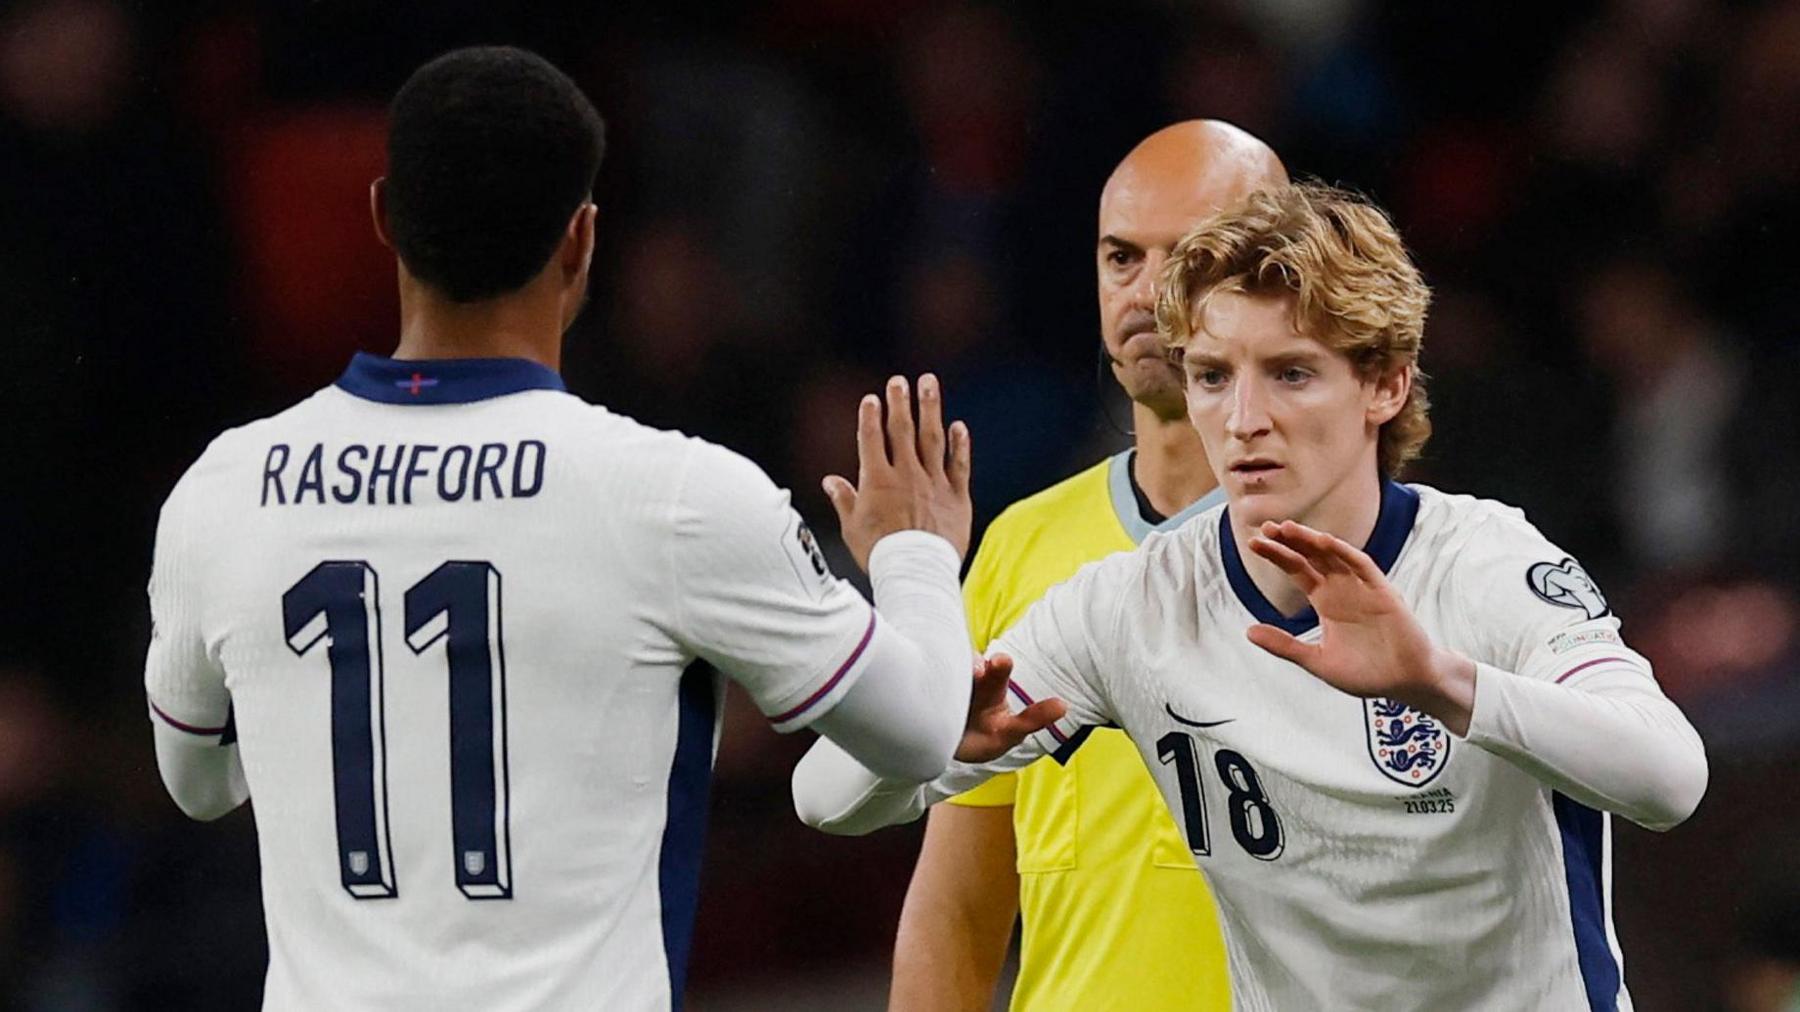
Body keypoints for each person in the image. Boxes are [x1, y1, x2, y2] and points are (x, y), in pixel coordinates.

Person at [143, 46, 1051, 1011]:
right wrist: (914, 548)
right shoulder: (671, 496)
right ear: (581, 240)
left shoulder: (226, 487)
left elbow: (195, 783)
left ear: (381, 217)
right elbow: (917, 731)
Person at [793, 182, 1709, 1009]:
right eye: (1213, 376)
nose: (1243, 420)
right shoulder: (1134, 608)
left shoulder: (1483, 563)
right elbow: (825, 798)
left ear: (1386, 384)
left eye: (1292, 373)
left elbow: (1670, 778)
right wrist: (930, 731)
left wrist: (1440, 682)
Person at [890, 120, 1283, 1012]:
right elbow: (958, 906)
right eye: (1120, 258)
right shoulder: (1024, 546)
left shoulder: (1362, 549)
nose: (1145, 294)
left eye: (1188, 257)